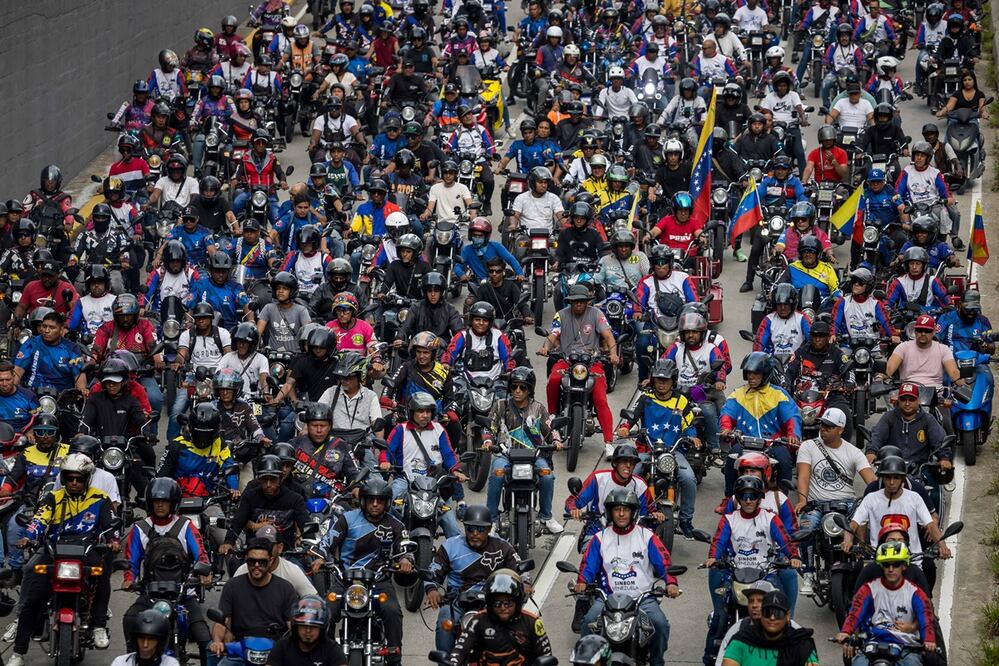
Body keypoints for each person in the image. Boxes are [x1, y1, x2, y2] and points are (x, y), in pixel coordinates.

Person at [9, 454, 115, 664]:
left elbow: (111, 525)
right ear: (64, 479)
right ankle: (18, 653)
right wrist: (28, 538)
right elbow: (38, 521)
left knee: (102, 577)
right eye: (69, 478)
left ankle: (99, 626)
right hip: (54, 551)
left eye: (79, 479)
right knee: (33, 599)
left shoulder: (101, 499)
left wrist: (113, 540)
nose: (74, 483)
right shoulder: (52, 498)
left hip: (87, 551)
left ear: (87, 479)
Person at [309, 478, 412, 666]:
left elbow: (405, 549)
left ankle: (395, 659)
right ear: (363, 501)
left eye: (380, 500)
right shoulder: (347, 519)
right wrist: (321, 556)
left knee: (393, 612)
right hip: (344, 580)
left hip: (379, 581)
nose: (375, 504)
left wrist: (405, 559)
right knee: (325, 612)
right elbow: (327, 541)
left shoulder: (396, 525)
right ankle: (322, 656)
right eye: (371, 499)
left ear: (387, 502)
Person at [576, 489, 679, 666]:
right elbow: (588, 566)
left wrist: (671, 583)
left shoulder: (647, 536)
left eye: (626, 509)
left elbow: (664, 563)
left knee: (660, 624)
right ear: (610, 512)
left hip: (642, 599)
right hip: (608, 599)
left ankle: (656, 662)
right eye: (617, 509)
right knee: (588, 623)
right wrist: (582, 582)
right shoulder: (600, 538)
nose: (621, 514)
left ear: (633, 512)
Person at [120, 478, 211, 656]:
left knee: (203, 636)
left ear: (173, 503)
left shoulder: (185, 525)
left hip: (183, 595)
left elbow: (201, 553)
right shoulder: (140, 528)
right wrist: (129, 579)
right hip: (151, 594)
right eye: (156, 501)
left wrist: (205, 572)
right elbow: (131, 560)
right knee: (130, 619)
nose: (160, 505)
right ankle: (133, 657)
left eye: (165, 501)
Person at [795, 408, 876, 594]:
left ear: (840, 429)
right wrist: (802, 500)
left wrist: (874, 500)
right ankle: (808, 573)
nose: (823, 429)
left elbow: (871, 481)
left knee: (862, 520)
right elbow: (803, 476)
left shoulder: (854, 452)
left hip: (847, 503)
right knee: (806, 528)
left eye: (829, 426)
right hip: (817, 504)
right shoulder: (808, 446)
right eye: (823, 424)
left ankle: (862, 559)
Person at [615, 359, 699, 536]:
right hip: (647, 450)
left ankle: (686, 520)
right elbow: (632, 416)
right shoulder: (646, 398)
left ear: (673, 381)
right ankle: (624, 511)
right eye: (658, 379)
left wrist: (693, 437)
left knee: (689, 479)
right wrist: (625, 428)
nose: (661, 383)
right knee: (631, 475)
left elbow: (689, 424)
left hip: (672, 452)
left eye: (666, 380)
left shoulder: (681, 401)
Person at [425, 506, 522, 652]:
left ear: (489, 529)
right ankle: (444, 660)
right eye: (470, 529)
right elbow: (433, 570)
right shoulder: (450, 546)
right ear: (464, 528)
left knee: (516, 624)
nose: (475, 534)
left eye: (480, 529)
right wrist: (431, 589)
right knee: (444, 622)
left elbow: (520, 568)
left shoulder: (503, 546)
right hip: (456, 600)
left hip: (493, 600)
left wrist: (525, 582)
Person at [483, 367, 564, 533]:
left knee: (548, 476)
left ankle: (546, 516)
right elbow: (489, 428)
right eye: (514, 386)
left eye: (522, 387)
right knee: (497, 474)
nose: (517, 391)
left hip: (534, 456)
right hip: (505, 454)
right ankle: (492, 520)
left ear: (530, 390)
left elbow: (550, 429)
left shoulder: (539, 408)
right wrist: (488, 441)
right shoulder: (500, 405)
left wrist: (556, 441)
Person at [538, 284, 618, 448]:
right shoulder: (561, 315)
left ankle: (609, 442)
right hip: (567, 360)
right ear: (570, 302)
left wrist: (613, 354)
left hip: (592, 362)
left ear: (587, 301)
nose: (579, 304)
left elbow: (608, 336)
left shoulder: (597, 314)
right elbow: (553, 335)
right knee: (554, 380)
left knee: (600, 397)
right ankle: (552, 416)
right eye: (575, 301)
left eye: (582, 301)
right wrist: (545, 347)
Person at [380, 392, 466, 537]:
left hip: (432, 486)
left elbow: (449, 454)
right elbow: (386, 450)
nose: (425, 415)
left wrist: (456, 471)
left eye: (428, 411)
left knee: (452, 525)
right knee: (387, 506)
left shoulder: (439, 430)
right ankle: (384, 541)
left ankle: (456, 551)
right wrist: (385, 462)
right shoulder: (400, 429)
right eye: (420, 411)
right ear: (411, 412)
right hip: (404, 481)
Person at [836, 541, 937, 665]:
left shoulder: (916, 593)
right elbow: (854, 613)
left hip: (906, 647)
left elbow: (926, 618)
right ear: (881, 566)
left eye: (896, 564)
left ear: (904, 566)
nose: (890, 569)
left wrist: (929, 640)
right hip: (871, 643)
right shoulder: (868, 589)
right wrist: (846, 631)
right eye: (886, 564)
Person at [841, 455, 952, 560]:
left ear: (903, 479)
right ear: (882, 478)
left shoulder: (915, 498)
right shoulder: (870, 498)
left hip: (911, 560)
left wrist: (942, 546)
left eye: (896, 477)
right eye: (888, 478)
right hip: (879, 559)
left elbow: (931, 525)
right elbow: (854, 524)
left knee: (929, 568)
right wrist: (847, 540)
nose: (891, 482)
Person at [720, 352, 801, 493]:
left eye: (756, 373)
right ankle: (729, 497)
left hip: (773, 444)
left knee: (784, 460)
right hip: (744, 442)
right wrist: (726, 428)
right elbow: (726, 414)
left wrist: (793, 435)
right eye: (748, 373)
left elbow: (792, 417)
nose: (751, 377)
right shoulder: (737, 394)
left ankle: (782, 499)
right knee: (732, 457)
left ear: (766, 374)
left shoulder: (779, 394)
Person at [209, 538, 299, 659]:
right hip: (240, 651)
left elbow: (292, 624)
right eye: (252, 561)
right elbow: (222, 621)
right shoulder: (232, 586)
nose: (256, 566)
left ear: (270, 561)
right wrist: (217, 642)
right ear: (246, 560)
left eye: (262, 562)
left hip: (275, 653)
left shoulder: (285, 588)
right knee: (211, 652)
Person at [785, 320, 858, 439]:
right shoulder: (801, 352)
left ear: (828, 337)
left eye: (821, 336)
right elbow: (789, 370)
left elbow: (848, 370)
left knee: (844, 414)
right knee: (780, 411)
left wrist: (849, 383)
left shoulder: (837, 353)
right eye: (814, 336)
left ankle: (843, 447)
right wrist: (785, 384)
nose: (817, 339)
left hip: (830, 396)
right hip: (801, 397)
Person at [93, 294, 164, 414]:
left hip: (141, 373)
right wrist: (92, 361)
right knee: (91, 394)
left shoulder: (144, 325)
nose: (125, 319)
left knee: (155, 399)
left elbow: (152, 345)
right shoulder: (106, 327)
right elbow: (97, 350)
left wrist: (158, 360)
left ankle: (150, 426)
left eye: (129, 316)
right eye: (122, 316)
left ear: (135, 315)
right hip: (110, 374)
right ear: (116, 316)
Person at [721, 591, 818, 666]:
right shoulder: (741, 640)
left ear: (787, 616)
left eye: (778, 613)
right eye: (768, 612)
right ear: (761, 614)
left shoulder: (802, 645)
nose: (772, 618)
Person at [13, 309, 89, 395]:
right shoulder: (31, 343)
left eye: (52, 327)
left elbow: (79, 375)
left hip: (63, 395)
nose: (46, 331)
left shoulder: (72, 348)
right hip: (32, 393)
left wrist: (82, 390)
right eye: (44, 326)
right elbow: (18, 371)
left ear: (61, 330)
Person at [268, 595, 347, 666]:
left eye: (313, 626)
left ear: (322, 628)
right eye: (303, 626)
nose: (308, 630)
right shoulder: (282, 647)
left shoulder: (332, 650)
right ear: (296, 626)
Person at [832, 268, 898, 341]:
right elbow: (835, 322)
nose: (856, 284)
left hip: (873, 344)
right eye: (854, 281)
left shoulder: (876, 304)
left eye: (860, 282)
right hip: (849, 344)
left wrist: (893, 334)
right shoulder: (842, 302)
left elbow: (885, 321)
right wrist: (832, 334)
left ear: (868, 286)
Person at [400, 273, 465, 341]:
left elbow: (458, 332)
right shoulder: (416, 307)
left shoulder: (450, 309)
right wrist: (399, 338)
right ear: (425, 292)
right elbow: (406, 327)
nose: (433, 294)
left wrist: (459, 342)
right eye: (429, 291)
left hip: (441, 345)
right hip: (418, 344)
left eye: (436, 291)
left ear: (441, 292)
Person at [753, 282, 812, 357]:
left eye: (786, 304)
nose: (783, 308)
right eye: (779, 304)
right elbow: (759, 343)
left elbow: (811, 339)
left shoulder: (802, 318)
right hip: (773, 361)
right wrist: (757, 356)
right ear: (775, 305)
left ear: (792, 305)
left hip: (797, 360)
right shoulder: (768, 319)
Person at [111, 608, 179, 666]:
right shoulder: (121, 662)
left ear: (160, 642)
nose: (145, 645)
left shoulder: (171, 664)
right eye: (141, 638)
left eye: (151, 639)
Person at [780, 235, 839, 301]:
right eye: (805, 251)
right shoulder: (792, 268)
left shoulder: (827, 269)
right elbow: (779, 286)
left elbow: (836, 291)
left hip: (822, 305)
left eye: (812, 251)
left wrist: (836, 298)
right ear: (800, 253)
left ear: (817, 254)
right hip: (797, 305)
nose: (808, 254)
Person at [510, 166, 564, 235]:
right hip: (525, 236)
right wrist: (513, 225)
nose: (543, 185)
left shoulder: (554, 198)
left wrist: (565, 225)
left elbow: (560, 214)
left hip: (548, 236)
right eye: (540, 182)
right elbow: (515, 215)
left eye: (545, 182)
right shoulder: (521, 198)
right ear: (532, 183)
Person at [0, 361, 38, 433]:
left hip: (22, 436)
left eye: (8, 380)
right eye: (1, 380)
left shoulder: (28, 396)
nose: (4, 384)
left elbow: (38, 414)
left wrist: (31, 430)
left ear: (13, 377)